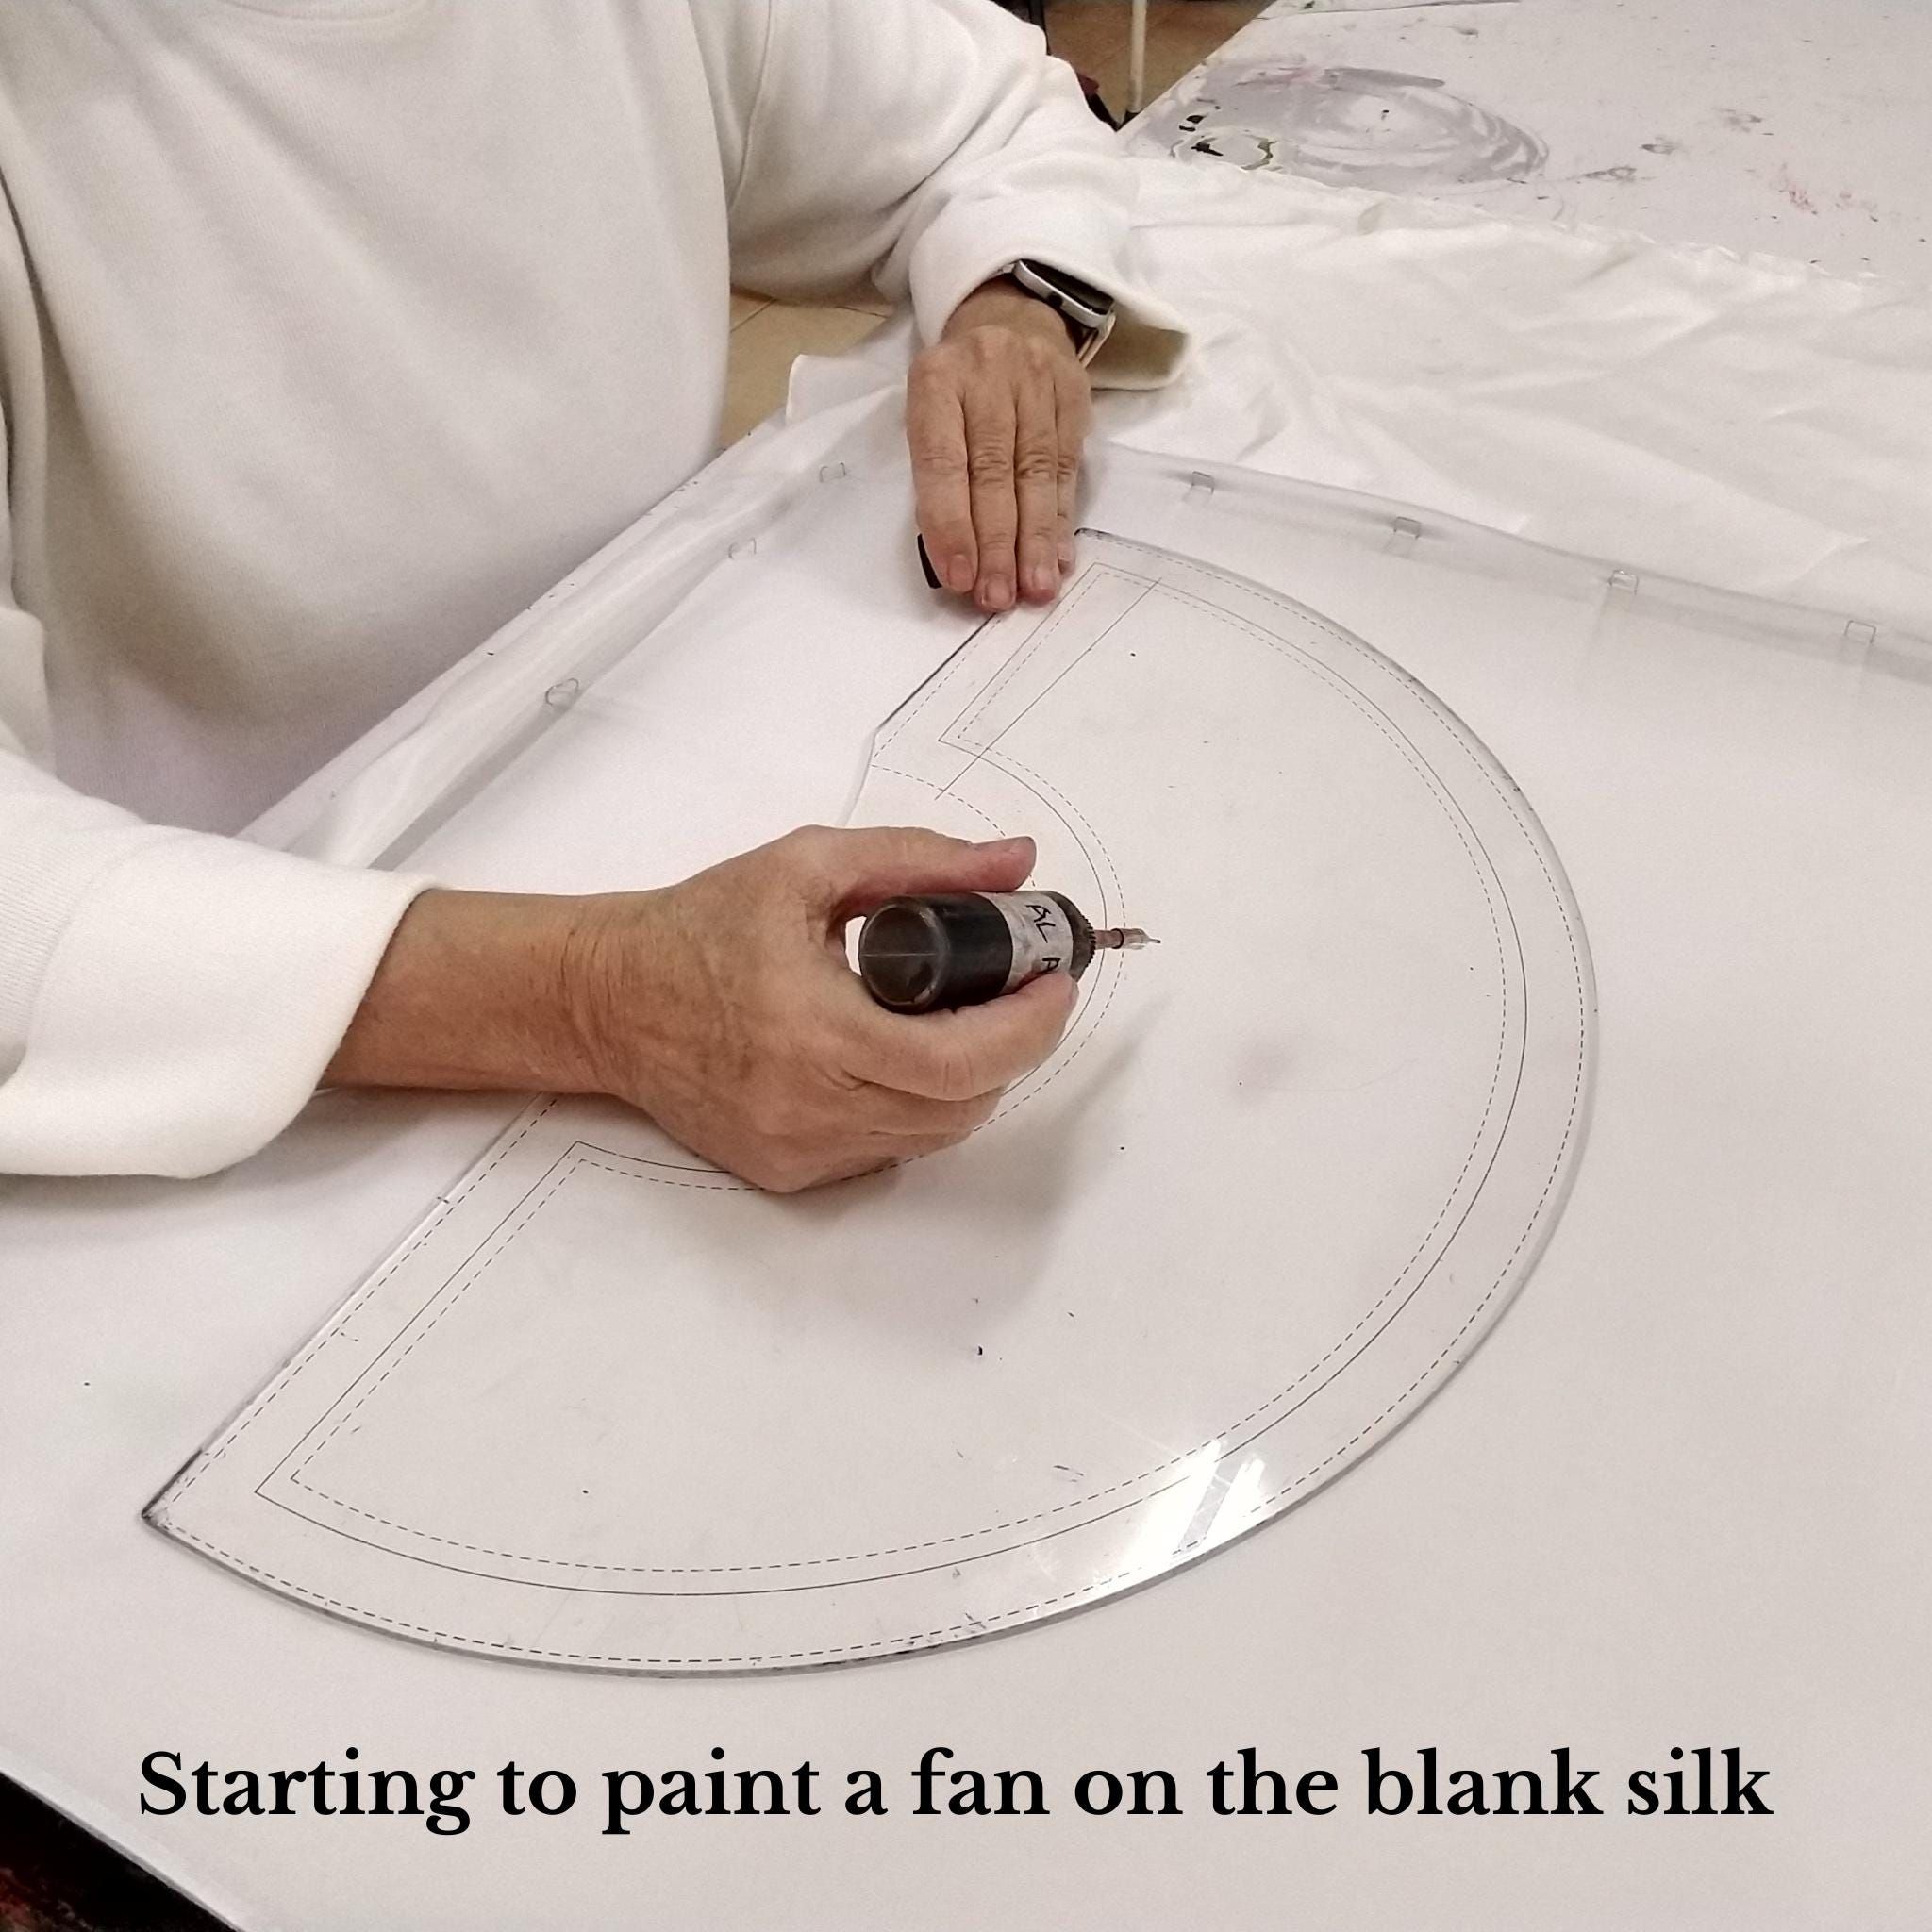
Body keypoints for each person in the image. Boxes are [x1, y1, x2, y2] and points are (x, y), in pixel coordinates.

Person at [0, 0, 1185, 1186]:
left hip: (672, 761)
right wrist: (594, 995)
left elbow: (987, 115)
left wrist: (1012, 311)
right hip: (220, 1019)